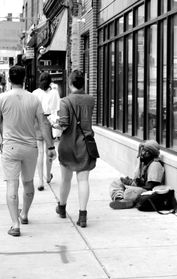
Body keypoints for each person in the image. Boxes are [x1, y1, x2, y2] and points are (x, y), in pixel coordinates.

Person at [0, 65, 56, 236]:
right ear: (24, 80)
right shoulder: (34, 99)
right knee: (28, 183)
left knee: (12, 184)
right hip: (30, 148)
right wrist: (51, 146)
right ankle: (24, 214)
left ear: (10, 79)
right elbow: (43, 124)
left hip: (10, 147)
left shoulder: (2, 98)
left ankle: (15, 225)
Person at [54, 70, 97, 227]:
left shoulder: (65, 101)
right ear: (83, 84)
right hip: (85, 145)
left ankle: (62, 208)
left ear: (70, 83)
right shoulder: (90, 100)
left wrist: (55, 124)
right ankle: (83, 215)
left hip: (68, 146)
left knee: (66, 179)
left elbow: (64, 125)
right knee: (83, 180)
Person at [109, 140, 165, 209]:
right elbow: (138, 178)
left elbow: (151, 187)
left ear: (148, 153)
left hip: (148, 192)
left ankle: (126, 200)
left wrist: (131, 185)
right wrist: (131, 182)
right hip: (141, 187)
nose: (141, 153)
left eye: (143, 151)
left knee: (128, 191)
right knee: (117, 182)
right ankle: (120, 199)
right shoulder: (145, 162)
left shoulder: (155, 165)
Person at [32, 72, 60, 191]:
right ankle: (48, 176)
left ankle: (40, 181)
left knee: (40, 152)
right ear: (50, 82)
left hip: (37, 122)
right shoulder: (54, 92)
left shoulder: (35, 93)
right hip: (48, 121)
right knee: (50, 150)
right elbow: (57, 110)